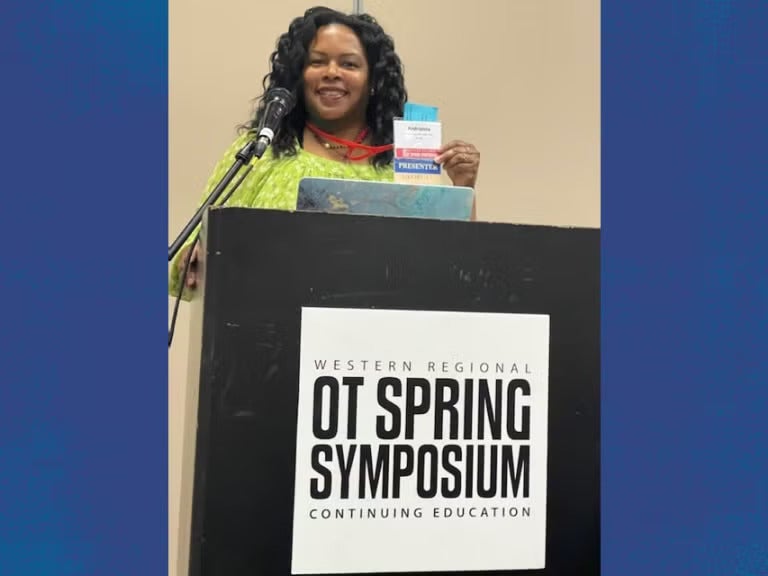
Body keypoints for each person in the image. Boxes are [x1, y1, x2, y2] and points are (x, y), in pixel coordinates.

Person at [169, 6, 481, 298]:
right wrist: (194, 258)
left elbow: (454, 263)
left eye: (349, 64)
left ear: (373, 80)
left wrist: (463, 187)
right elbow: (197, 252)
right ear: (298, 76)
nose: (332, 72)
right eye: (317, 62)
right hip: (266, 335)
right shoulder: (260, 151)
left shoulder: (405, 163)